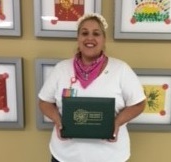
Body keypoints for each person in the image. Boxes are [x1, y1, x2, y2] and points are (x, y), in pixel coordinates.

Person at [38, 13, 146, 162]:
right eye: (84, 33)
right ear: (78, 38)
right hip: (65, 156)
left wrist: (117, 122)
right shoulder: (61, 69)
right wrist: (58, 120)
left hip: (110, 156)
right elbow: (44, 102)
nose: (90, 38)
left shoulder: (121, 69)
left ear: (104, 39)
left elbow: (139, 103)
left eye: (96, 33)